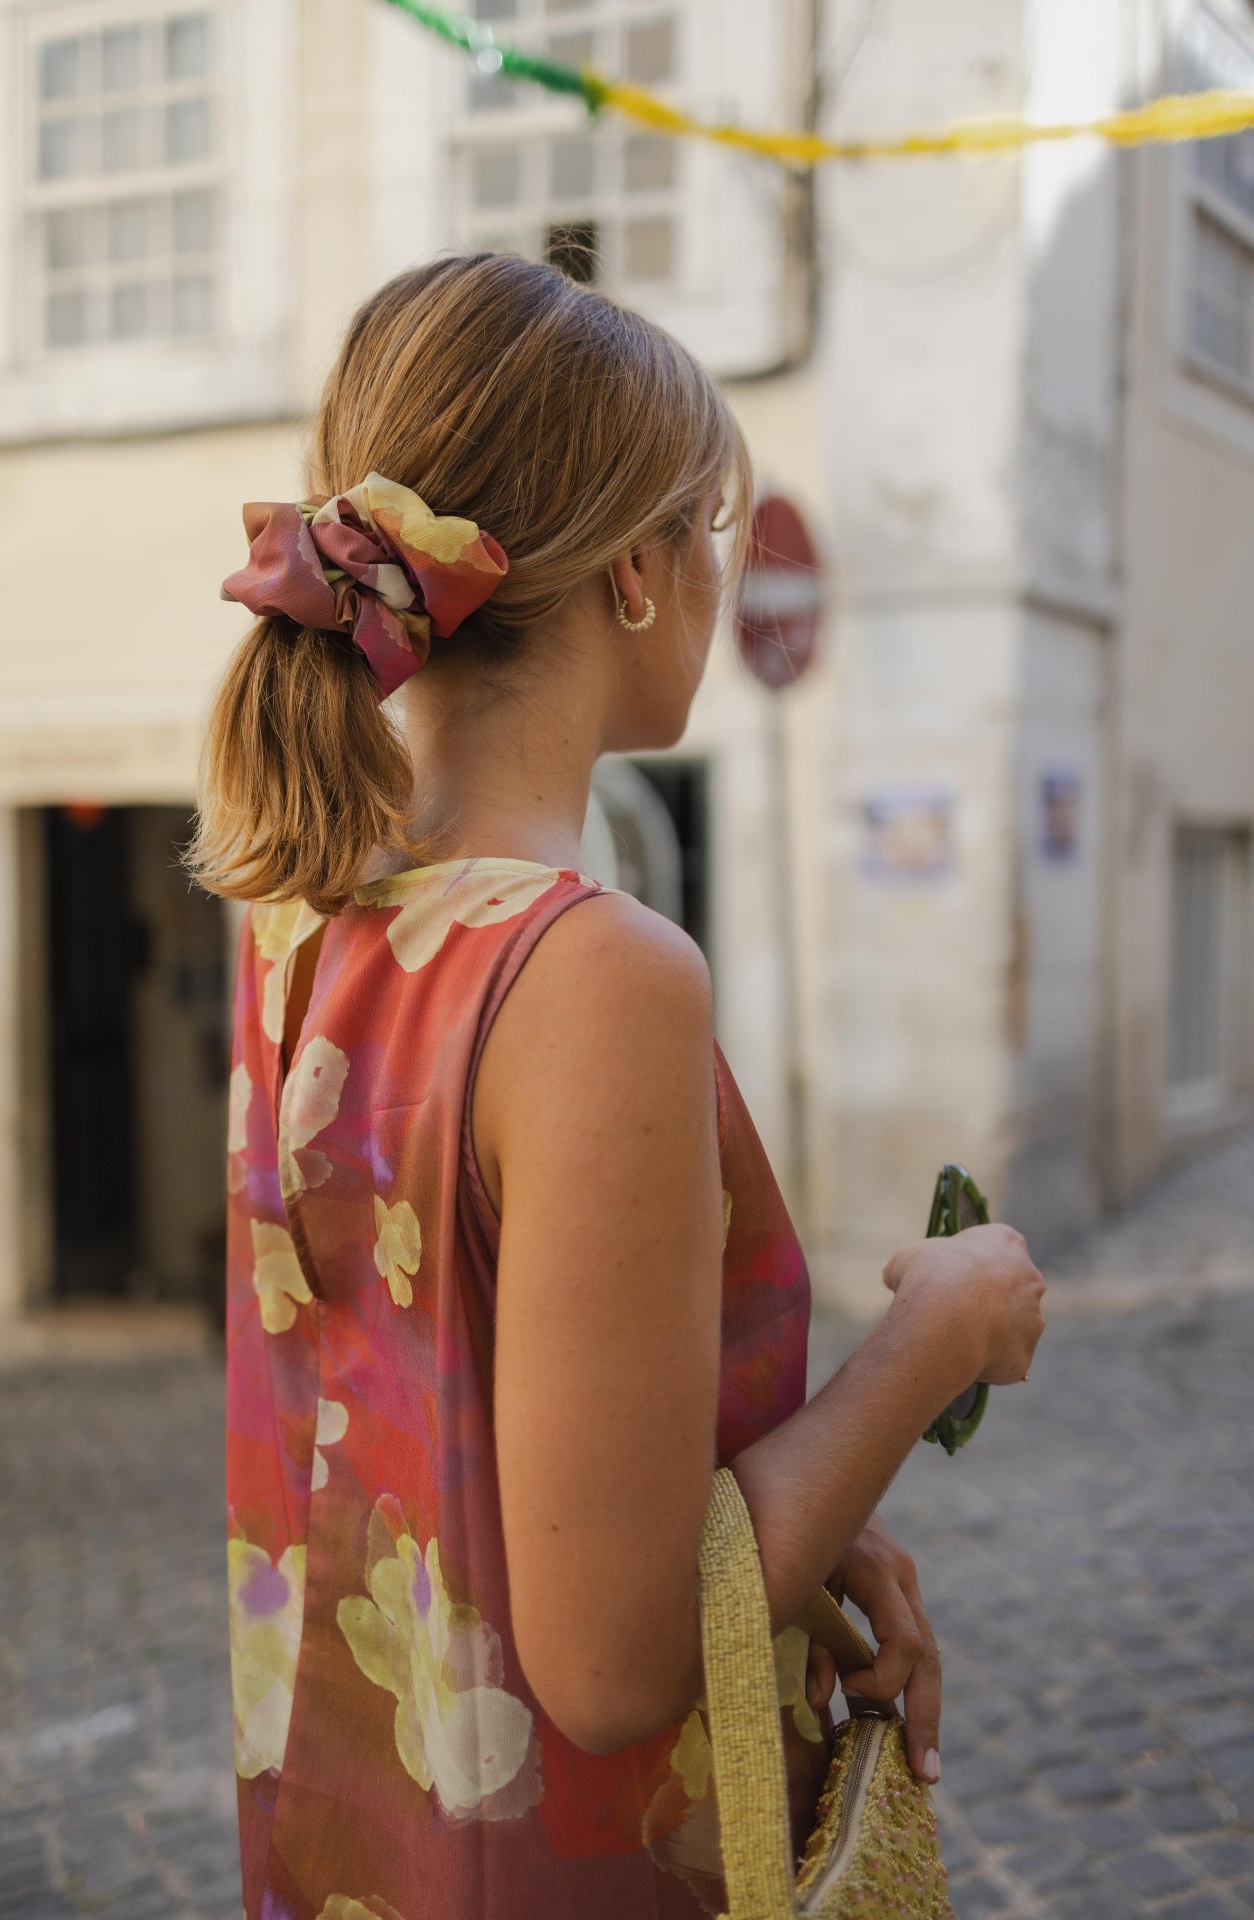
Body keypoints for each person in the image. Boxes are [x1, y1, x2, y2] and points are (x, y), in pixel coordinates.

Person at [192, 252, 1046, 1920]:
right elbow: (611, 1664)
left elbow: (468, 1434)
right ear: (640, 574)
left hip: (362, 1844)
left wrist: (797, 1504)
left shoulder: (301, 912)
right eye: (711, 534)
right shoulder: (597, 974)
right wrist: (936, 1337)